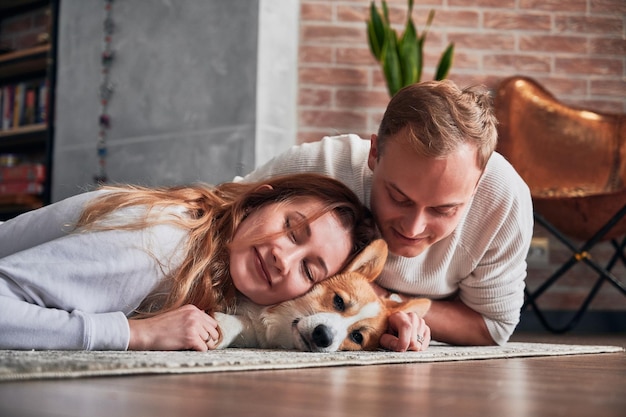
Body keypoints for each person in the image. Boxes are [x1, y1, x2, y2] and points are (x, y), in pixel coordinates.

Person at [237, 80, 534, 351]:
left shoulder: (503, 200)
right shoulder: (323, 166)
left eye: (444, 209)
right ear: (374, 154)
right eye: (398, 197)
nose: (414, 227)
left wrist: (388, 310)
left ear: (477, 186)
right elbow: (222, 210)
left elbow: (494, 326)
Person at [0, 173, 377, 351]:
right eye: (291, 229)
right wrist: (137, 334)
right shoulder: (159, 246)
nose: (284, 259)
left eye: (308, 270)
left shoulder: (213, 266)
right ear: (258, 201)